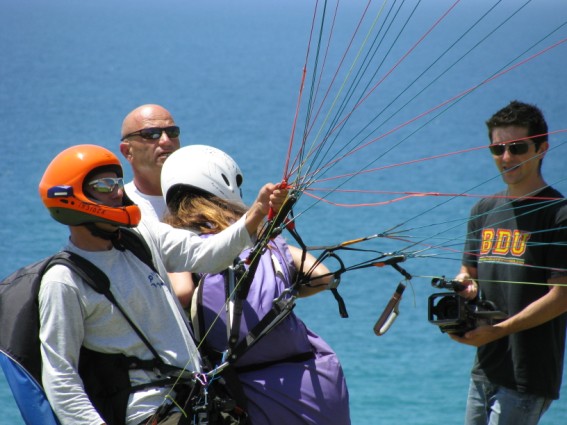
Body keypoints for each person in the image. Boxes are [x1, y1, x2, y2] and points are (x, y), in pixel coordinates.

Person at [37, 144, 287, 425]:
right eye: (104, 186)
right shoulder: (63, 281)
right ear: (70, 199)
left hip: (196, 401)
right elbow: (60, 377)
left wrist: (256, 212)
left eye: (117, 182)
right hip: (149, 413)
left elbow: (208, 254)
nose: (118, 192)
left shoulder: (140, 236)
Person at [161, 145, 351, 425]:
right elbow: (322, 276)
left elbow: (183, 292)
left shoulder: (181, 242)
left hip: (250, 387)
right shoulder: (264, 239)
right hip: (315, 380)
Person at [451, 101, 567, 425]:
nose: (506, 157)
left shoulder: (558, 214)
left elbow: (562, 296)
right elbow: (468, 271)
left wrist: (499, 330)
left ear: (541, 148)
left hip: (527, 374)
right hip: (484, 368)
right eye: (498, 148)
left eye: (517, 148)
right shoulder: (483, 210)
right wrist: (463, 285)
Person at [120, 104, 180, 222]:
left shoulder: (207, 197)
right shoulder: (117, 207)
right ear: (127, 151)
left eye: (172, 132)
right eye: (151, 134)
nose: (166, 141)